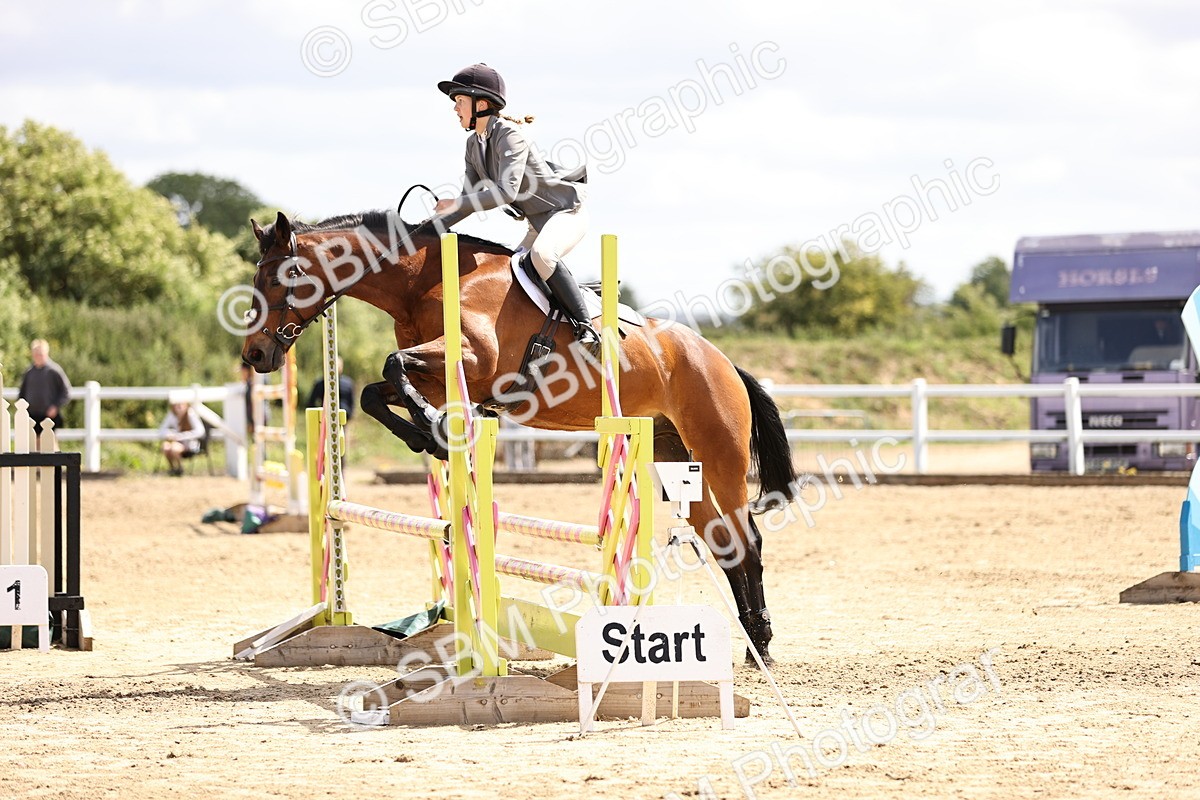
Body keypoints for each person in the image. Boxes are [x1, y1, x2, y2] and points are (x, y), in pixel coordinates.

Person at [432, 63, 601, 356]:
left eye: (459, 101)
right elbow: (468, 201)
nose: (455, 109)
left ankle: (586, 328)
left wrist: (457, 204)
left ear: (480, 104)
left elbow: (505, 192)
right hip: (537, 224)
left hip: (565, 213)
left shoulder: (510, 134)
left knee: (542, 256)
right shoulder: (473, 145)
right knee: (511, 274)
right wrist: (427, 230)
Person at [18, 339, 72, 434]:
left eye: (40, 353)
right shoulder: (29, 372)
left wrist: (55, 406)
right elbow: (22, 393)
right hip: (32, 415)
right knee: (34, 444)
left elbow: (66, 391)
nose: (38, 356)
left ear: (46, 353)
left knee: (50, 442)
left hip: (49, 415)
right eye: (36, 353)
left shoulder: (54, 371)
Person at [160, 401, 204, 476]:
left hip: (189, 444)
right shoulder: (172, 414)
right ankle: (173, 468)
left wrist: (182, 436)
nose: (179, 407)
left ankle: (180, 468)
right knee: (165, 446)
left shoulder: (190, 414)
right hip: (176, 443)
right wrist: (170, 435)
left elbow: (200, 431)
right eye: (177, 404)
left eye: (181, 404)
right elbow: (161, 430)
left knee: (174, 448)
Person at [306, 357, 356, 422]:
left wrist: (349, 415)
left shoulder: (348, 383)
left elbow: (351, 401)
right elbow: (311, 402)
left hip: (344, 419)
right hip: (325, 419)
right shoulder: (320, 384)